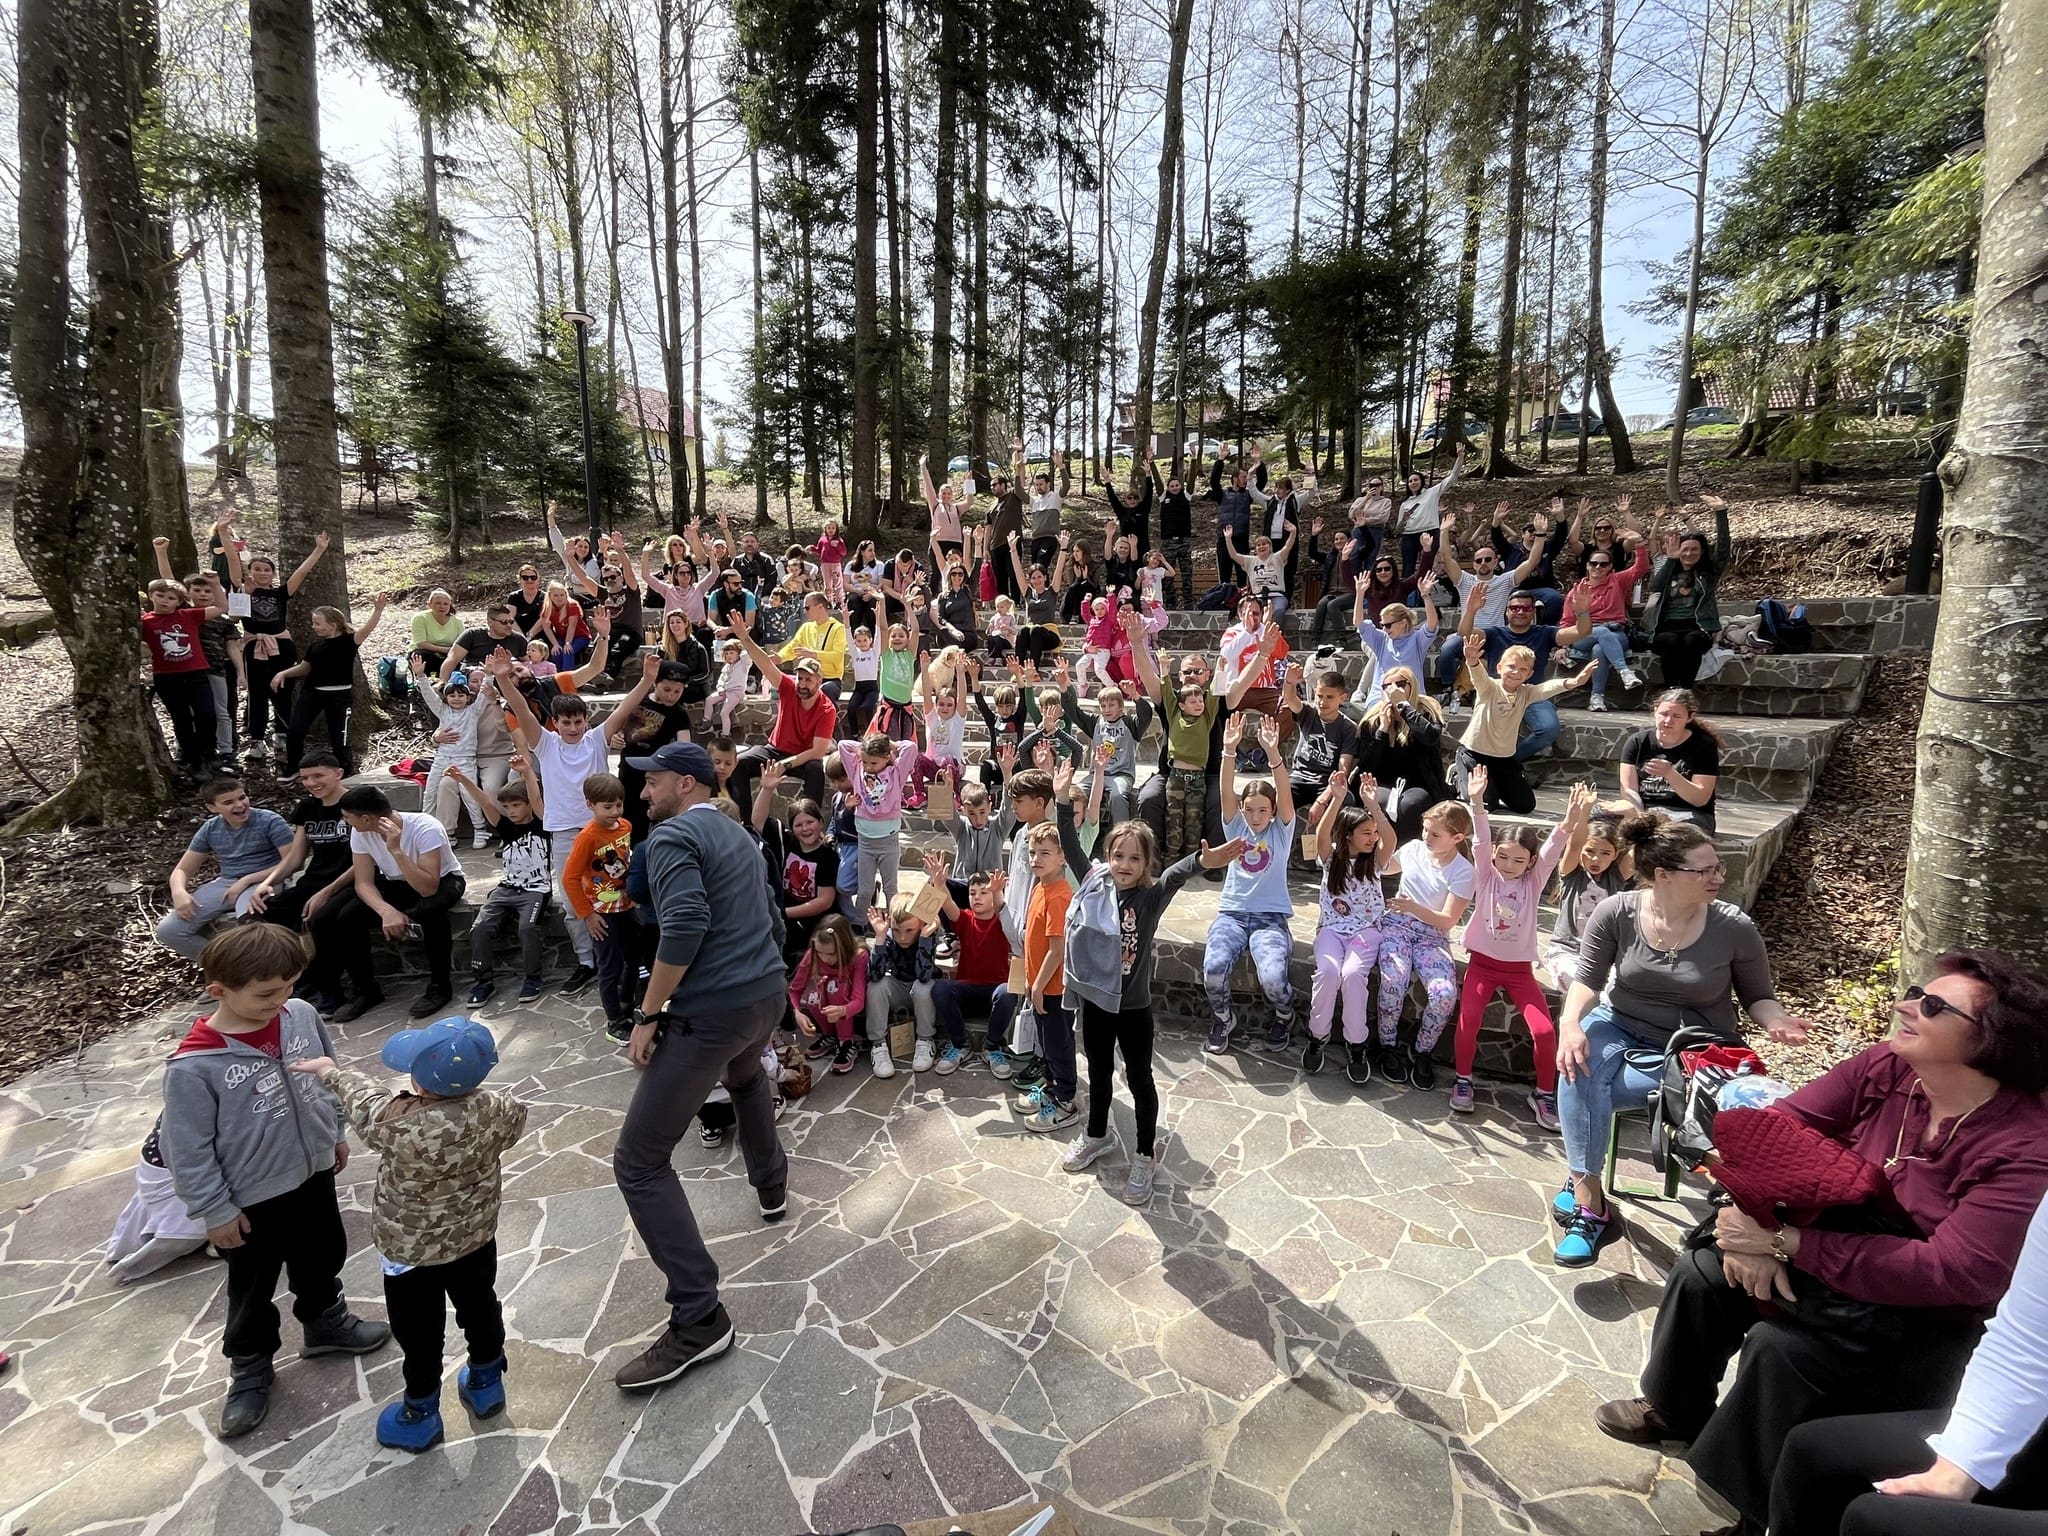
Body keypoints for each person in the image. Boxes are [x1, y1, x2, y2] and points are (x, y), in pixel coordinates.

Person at [1593, 949, 2048, 1535]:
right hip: (1835, 1257)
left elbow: (1953, 1272)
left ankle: (1757, 1518)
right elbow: (1777, 1127)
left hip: (1926, 1321)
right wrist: (1751, 1222)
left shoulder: (2023, 1148)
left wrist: (1788, 1244)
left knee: (1783, 1351)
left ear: (1992, 1041)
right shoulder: (1890, 1068)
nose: (1906, 1006)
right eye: (1915, 992)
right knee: (1705, 1271)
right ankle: (1675, 1409)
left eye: (1934, 1006)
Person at [1550, 811, 1812, 1267]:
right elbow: (1588, 980)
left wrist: (1778, 1021)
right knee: (1577, 1066)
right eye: (1705, 870)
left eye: (1718, 868)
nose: (1718, 877)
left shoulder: (1733, 927)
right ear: (1663, 875)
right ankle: (1591, 1204)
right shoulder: (1617, 912)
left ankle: (1581, 1179)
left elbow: (1759, 997)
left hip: (1697, 1045)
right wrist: (1570, 1023)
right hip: (1620, 1023)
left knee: (1598, 1092)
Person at [159, 925, 390, 1439]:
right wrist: (214, 1209)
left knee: (322, 1251)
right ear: (219, 990)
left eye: (288, 986)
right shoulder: (194, 1066)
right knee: (253, 1284)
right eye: (266, 994)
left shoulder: (301, 1015)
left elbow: (325, 1074)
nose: (280, 1001)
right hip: (249, 1199)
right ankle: (249, 1366)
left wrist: (334, 1132)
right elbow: (186, 1148)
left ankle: (324, 1321)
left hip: (312, 1171)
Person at [610, 741, 791, 1393]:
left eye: (652, 781)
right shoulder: (740, 834)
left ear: (686, 784)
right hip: (764, 996)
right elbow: (772, 917)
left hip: (711, 1010)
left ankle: (699, 1318)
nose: (643, 792)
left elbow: (683, 925)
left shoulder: (671, 838)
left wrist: (648, 1013)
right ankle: (771, 1186)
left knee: (638, 1162)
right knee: (744, 1077)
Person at [291, 1019, 526, 1453]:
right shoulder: (500, 1110)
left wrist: (329, 1071)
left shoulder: (396, 1126)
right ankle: (486, 1381)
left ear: (417, 1082)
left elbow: (365, 1101)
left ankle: (420, 1413)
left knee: (419, 1331)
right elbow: (511, 1126)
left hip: (410, 1255)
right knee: (480, 1307)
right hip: (475, 1240)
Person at [1770, 1191, 2048, 1536]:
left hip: (1932, 1332)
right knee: (1815, 1454)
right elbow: (2029, 1340)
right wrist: (1960, 1466)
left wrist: (1788, 1242)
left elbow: (1955, 1267)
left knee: (1879, 1521)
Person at [1059, 820, 1211, 1205]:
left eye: (1134, 858)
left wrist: (1202, 860)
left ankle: (1145, 1155)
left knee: (1141, 1080)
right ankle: (1098, 1135)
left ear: (1146, 863)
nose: (1124, 865)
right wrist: (1061, 802)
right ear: (1107, 857)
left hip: (1133, 1009)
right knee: (1098, 1072)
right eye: (1117, 856)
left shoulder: (1149, 899)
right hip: (1097, 1003)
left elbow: (1176, 875)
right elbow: (1071, 846)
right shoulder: (1094, 886)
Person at [1450, 773, 1582, 1124]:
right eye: (1503, 857)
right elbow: (1480, 841)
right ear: (1495, 854)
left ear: (1531, 862)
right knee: (1469, 1019)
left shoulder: (1534, 882)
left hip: (1520, 971)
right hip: (1482, 965)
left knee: (1544, 1031)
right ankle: (1463, 1080)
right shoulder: (1486, 875)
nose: (1508, 866)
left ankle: (1543, 1094)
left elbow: (1552, 851)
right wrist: (1477, 803)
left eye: (1518, 860)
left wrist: (1568, 824)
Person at [306, 786, 468, 1023]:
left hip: (441, 881)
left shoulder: (426, 827)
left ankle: (440, 986)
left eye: (347, 817)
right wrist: (386, 911)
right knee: (348, 916)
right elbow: (363, 883)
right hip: (397, 882)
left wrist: (396, 851)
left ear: (366, 818)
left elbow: (427, 888)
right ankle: (366, 991)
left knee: (430, 912)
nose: (345, 821)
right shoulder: (360, 832)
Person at [1202, 713, 1299, 1057]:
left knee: (1272, 978)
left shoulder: (1282, 831)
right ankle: (1222, 1018)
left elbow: (1284, 791)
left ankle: (1285, 1014)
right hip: (1232, 915)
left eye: (1262, 811)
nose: (1255, 817)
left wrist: (1273, 754)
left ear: (1272, 811)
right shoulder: (1236, 827)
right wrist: (1229, 751)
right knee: (1213, 970)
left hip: (1270, 919)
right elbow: (1225, 789)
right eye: (1249, 810)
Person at [1374, 800, 1475, 1090]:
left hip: (1432, 936)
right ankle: (1387, 1045)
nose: (1426, 837)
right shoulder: (1414, 850)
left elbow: (1447, 920)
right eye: (1425, 830)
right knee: (1393, 980)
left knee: (1444, 994)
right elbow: (1383, 866)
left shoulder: (1464, 872)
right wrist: (1375, 815)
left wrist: (1413, 907)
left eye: (1435, 834)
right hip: (1397, 926)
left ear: (1457, 837)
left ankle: (1421, 1051)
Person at [1302, 784, 1399, 1084]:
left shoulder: (1376, 862)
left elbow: (1391, 840)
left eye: (1374, 833)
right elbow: (1322, 833)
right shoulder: (1331, 859)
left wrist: (1374, 807)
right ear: (1347, 835)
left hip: (1365, 933)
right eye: (1365, 833)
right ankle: (1317, 1036)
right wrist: (1337, 798)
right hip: (1331, 930)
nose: (1373, 838)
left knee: (1353, 974)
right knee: (1328, 971)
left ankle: (1357, 1044)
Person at [216, 518, 330, 762]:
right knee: (257, 694)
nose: (262, 573)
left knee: (283, 692)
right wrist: (224, 533)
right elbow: (233, 562)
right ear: (250, 572)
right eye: (257, 569)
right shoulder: (243, 589)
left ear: (273, 574)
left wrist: (319, 549)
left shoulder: (280, 593)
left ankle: (282, 735)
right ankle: (257, 740)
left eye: (266, 570)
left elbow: (301, 572)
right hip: (254, 646)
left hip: (282, 646)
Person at [447, 757, 552, 1006]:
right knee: (480, 928)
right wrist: (462, 780)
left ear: (528, 804)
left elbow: (536, 798)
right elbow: (485, 801)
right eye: (507, 806)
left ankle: (533, 978)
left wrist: (527, 772)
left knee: (527, 928)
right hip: (505, 889)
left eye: (516, 805)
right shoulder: (505, 827)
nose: (511, 811)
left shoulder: (543, 825)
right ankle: (483, 982)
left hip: (535, 890)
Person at [1454, 634, 1599, 815]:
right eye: (1511, 667)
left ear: (1529, 674)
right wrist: (1472, 660)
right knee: (1486, 805)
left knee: (1525, 805)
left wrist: (1574, 681)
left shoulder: (1526, 693)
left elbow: (1547, 688)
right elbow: (1478, 676)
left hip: (1504, 758)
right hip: (1475, 753)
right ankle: (1459, 777)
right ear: (1499, 668)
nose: (1516, 672)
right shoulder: (1489, 687)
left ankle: (1492, 785)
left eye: (1523, 669)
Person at [155, 778, 294, 960]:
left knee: (248, 925)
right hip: (227, 883)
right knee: (169, 930)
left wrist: (247, 880)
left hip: (265, 880)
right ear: (212, 807)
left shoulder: (270, 820)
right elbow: (183, 869)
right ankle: (225, 966)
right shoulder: (211, 828)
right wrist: (179, 892)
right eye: (228, 802)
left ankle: (261, 968)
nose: (240, 805)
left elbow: (292, 862)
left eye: (242, 797)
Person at [1430, 505, 1541, 704]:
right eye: (1479, 560)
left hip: (1495, 634)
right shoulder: (1465, 580)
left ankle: (1493, 694)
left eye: (1488, 559)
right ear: (1474, 564)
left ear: (1495, 562)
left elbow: (1532, 562)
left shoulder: (1505, 580)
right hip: (1467, 633)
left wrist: (1540, 535)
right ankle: (1448, 688)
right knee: (1447, 650)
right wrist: (1443, 532)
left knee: (1502, 660)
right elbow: (1446, 559)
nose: (1483, 563)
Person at [727, 617, 840, 809]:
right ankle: (745, 820)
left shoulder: (827, 709)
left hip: (804, 758)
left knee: (815, 770)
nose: (802, 684)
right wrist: (745, 638)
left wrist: (785, 765)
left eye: (808, 680)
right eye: (800, 678)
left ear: (819, 681)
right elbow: (765, 664)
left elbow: (817, 751)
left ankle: (810, 820)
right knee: (739, 763)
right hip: (774, 750)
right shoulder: (789, 687)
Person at [275, 593, 390, 780]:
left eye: (317, 623)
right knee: (295, 730)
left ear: (333, 624)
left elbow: (368, 628)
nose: (314, 626)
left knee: (339, 738)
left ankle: (345, 771)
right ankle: (293, 767)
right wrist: (283, 673)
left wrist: (378, 610)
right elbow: (304, 668)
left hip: (339, 697)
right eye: (313, 623)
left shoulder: (349, 641)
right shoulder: (316, 646)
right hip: (312, 694)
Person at [563, 772, 641, 1042]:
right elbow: (570, 878)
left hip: (626, 906)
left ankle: (627, 1005)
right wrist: (587, 914)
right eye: (607, 806)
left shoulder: (625, 827)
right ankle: (614, 1021)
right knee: (609, 967)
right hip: (602, 914)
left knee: (634, 960)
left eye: (618, 804)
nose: (615, 811)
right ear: (590, 805)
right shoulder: (587, 838)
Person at [244, 753, 351, 946]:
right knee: (258, 914)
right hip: (313, 881)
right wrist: (267, 883)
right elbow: (296, 857)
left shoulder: (356, 804)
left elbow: (369, 860)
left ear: (338, 774)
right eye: (305, 778)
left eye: (318, 776)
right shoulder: (307, 807)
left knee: (322, 919)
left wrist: (327, 892)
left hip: (349, 883)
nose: (311, 783)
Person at [1350, 667, 1452, 844]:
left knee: (1409, 806)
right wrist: (1382, 731)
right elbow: (1366, 765)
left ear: (1411, 686)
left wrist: (1404, 707)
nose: (1393, 689)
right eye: (1387, 686)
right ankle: (1381, 853)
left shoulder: (1427, 711)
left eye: (1400, 684)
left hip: (1420, 783)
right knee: (1379, 803)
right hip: (1383, 781)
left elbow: (1430, 737)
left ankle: (1404, 854)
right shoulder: (1373, 719)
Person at [928, 864, 1014, 1073]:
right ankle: (960, 1044)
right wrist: (939, 884)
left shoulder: (1003, 921)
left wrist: (997, 892)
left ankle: (992, 1046)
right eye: (972, 893)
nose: (977, 897)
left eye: (984, 892)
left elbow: (1002, 907)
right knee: (940, 988)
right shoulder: (965, 919)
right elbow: (948, 904)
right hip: (966, 992)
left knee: (1008, 991)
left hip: (994, 993)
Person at [142, 574, 226, 779]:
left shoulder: (188, 615)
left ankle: (208, 753)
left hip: (196, 674)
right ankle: (195, 762)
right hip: (167, 677)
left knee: (207, 714)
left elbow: (221, 607)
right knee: (182, 720)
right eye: (160, 595)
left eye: (171, 598)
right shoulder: (145, 622)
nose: (165, 601)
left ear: (179, 602)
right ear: (151, 596)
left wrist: (215, 585)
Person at [1560, 520, 1650, 711]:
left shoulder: (1617, 581)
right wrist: (1563, 646)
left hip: (1616, 632)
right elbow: (1567, 621)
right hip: (1583, 635)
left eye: (1603, 564)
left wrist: (1640, 544)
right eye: (1594, 563)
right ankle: (1624, 671)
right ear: (1587, 566)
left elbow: (1641, 568)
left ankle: (1597, 697)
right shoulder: (1577, 591)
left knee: (1599, 649)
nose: (1598, 567)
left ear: (1610, 567)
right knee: (1601, 631)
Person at [1543, 802, 1627, 991]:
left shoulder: (1615, 878)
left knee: (1619, 988)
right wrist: (1585, 811)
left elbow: (1638, 851)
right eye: (1589, 851)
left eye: (1605, 853)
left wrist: (1633, 813)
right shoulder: (1572, 875)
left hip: (1601, 956)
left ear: (1615, 855)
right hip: (1566, 951)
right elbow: (1574, 846)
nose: (1596, 859)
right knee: (1577, 985)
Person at [1645, 502, 1730, 689]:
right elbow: (1655, 587)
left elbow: (1723, 548)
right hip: (1666, 628)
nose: (1689, 553)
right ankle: (1671, 690)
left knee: (1691, 640)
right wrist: (1671, 560)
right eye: (1685, 549)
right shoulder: (1669, 570)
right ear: (1678, 551)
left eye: (1694, 549)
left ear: (1701, 552)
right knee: (1672, 641)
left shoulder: (1708, 573)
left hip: (1699, 628)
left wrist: (1720, 513)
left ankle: (1685, 691)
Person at [1621, 689, 1722, 835]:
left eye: (1677, 716)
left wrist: (1670, 774)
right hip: (1646, 811)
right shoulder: (1637, 741)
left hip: (1689, 813)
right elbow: (1628, 791)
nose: (1668, 721)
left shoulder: (1704, 745)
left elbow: (1700, 799)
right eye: (1664, 714)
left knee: (1671, 835)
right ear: (1655, 711)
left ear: (1689, 718)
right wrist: (1639, 817)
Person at [863, 894, 939, 1075]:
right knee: (876, 987)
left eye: (909, 930)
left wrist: (924, 938)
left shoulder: (927, 935)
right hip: (898, 989)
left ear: (921, 923)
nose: (903, 937)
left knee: (924, 988)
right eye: (897, 930)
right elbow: (874, 975)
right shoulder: (889, 937)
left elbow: (923, 976)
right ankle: (878, 1045)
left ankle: (925, 1040)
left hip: (920, 994)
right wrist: (880, 938)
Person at [790, 913, 866, 1071]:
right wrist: (797, 1012)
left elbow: (859, 1000)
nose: (824, 958)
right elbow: (795, 989)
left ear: (844, 947)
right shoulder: (812, 955)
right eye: (820, 952)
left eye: (831, 954)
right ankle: (829, 1035)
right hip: (825, 1003)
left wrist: (843, 1010)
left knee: (835, 987)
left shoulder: (858, 956)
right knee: (815, 993)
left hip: (845, 1002)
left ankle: (846, 1041)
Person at [1389, 442, 1464, 577]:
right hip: (1409, 536)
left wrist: (1460, 458)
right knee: (1408, 569)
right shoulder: (1405, 504)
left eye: (1416, 480)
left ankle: (1426, 590)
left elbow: (1452, 478)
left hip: (1429, 533)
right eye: (1410, 481)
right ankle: (1408, 590)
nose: (1413, 483)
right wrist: (1404, 519)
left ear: (1421, 481)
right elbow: (1398, 530)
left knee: (1428, 566)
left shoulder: (1432, 493)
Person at [1223, 522, 1298, 613]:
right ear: (1255, 549)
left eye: (1264, 544)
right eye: (1258, 545)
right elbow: (1233, 555)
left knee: (1278, 610)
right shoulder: (1250, 561)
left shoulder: (1278, 557)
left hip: (1277, 595)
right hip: (1257, 596)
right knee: (1253, 612)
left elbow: (1288, 546)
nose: (1261, 546)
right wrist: (1228, 539)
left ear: (1270, 547)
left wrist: (1293, 532)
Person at [1154, 455, 1192, 597]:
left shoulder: (1186, 496)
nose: (1175, 488)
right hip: (1168, 541)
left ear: (1181, 486)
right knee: (1168, 574)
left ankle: (1188, 601)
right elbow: (1157, 482)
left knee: (1186, 573)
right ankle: (1170, 601)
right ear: (1168, 488)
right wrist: (1151, 463)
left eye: (1177, 485)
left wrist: (1194, 459)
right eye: (1172, 486)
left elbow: (1192, 480)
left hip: (1184, 541)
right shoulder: (1164, 497)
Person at [987, 470, 1026, 599]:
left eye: (995, 485)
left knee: (1014, 573)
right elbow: (988, 527)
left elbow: (1021, 483)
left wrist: (1019, 466)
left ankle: (1016, 602)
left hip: (1012, 543)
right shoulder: (992, 506)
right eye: (991, 485)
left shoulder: (1013, 497)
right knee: (1000, 577)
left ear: (1003, 485)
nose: (992, 487)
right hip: (995, 546)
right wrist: (985, 548)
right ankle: (1002, 603)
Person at [410, 590, 462, 671]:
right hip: (426, 652)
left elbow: (462, 644)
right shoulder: (420, 618)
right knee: (420, 656)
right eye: (438, 603)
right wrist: (446, 650)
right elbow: (421, 644)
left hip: (449, 654)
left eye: (445, 604)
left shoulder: (457, 622)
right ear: (429, 604)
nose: (442, 606)